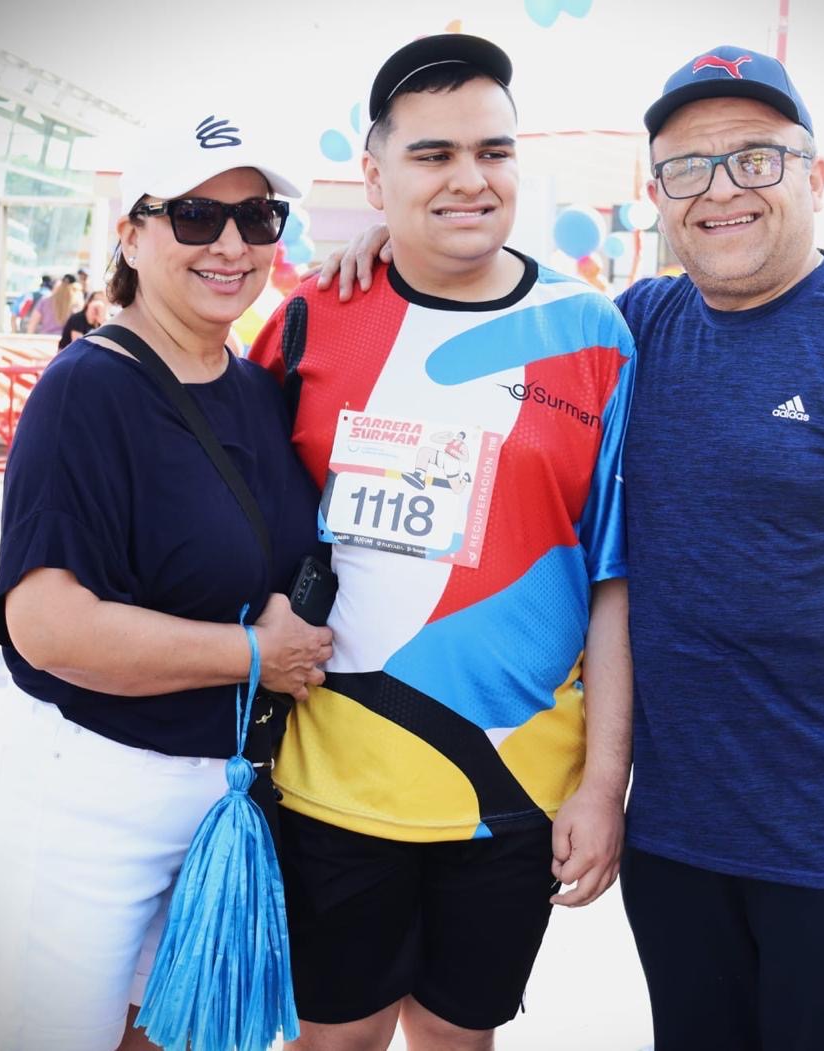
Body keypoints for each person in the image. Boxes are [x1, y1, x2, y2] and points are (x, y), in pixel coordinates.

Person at [324, 43, 824, 1051]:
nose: (720, 190)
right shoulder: (638, 325)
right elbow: (491, 305)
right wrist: (377, 249)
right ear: (656, 195)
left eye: (755, 159)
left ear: (815, 176)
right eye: (688, 168)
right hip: (679, 836)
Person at [247, 33, 635, 1051]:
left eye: (492, 151)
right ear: (375, 177)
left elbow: (614, 580)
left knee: (458, 1040)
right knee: (333, 1039)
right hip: (328, 776)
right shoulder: (312, 317)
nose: (470, 178)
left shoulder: (592, 332)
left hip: (513, 785)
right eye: (433, 155)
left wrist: (602, 785)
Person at [0, 112, 332, 1051]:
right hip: (92, 798)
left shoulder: (256, 386)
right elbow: (48, 624)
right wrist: (254, 654)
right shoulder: (86, 391)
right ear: (131, 236)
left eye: (258, 217)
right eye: (194, 215)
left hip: (227, 799)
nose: (231, 244)